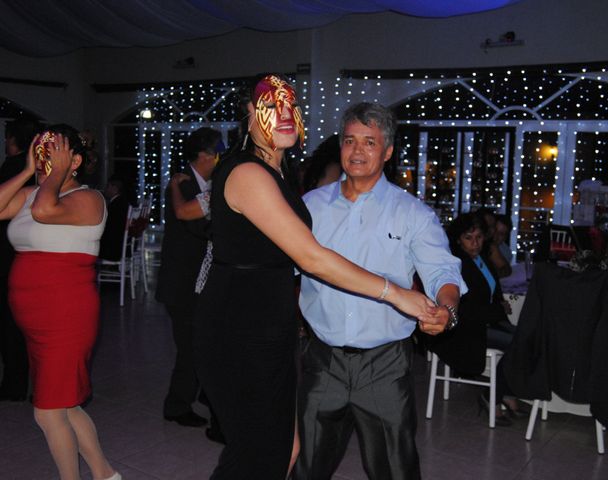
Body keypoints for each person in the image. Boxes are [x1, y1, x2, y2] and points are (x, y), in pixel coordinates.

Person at [192, 74, 444, 480]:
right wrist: (396, 294)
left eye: (290, 105)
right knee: (254, 457)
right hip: (237, 329)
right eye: (272, 107)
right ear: (249, 115)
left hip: (271, 329)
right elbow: (312, 257)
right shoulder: (248, 173)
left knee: (286, 450)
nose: (285, 114)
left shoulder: (277, 173)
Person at [294, 102, 465, 480]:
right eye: (350, 140)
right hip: (323, 360)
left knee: (395, 468)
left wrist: (445, 309)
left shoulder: (412, 213)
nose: (357, 151)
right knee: (308, 467)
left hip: (385, 365)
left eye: (369, 142)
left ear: (387, 151)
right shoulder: (309, 208)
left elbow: (442, 271)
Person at [0, 124, 119, 479]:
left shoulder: (89, 198)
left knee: (48, 411)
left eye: (52, 156)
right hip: (36, 319)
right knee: (64, 405)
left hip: (66, 316)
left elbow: (45, 212)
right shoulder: (35, 191)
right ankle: (106, 474)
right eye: (40, 155)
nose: (42, 163)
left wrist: (53, 176)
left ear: (76, 161)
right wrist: (25, 170)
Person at [156, 127, 225, 437]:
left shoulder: (196, 184)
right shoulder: (181, 184)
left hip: (197, 281)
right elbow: (199, 228)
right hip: (182, 283)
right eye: (218, 154)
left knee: (201, 342)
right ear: (205, 156)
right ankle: (177, 406)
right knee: (191, 346)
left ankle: (200, 393)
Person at [430, 212, 522, 426]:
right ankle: (493, 397)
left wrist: (497, 307)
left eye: (479, 237)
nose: (475, 243)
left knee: (525, 338)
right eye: (469, 238)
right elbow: (468, 309)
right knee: (518, 343)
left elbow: (494, 292)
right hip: (464, 330)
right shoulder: (457, 264)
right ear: (458, 240)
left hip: (486, 321)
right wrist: (496, 309)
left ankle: (505, 393)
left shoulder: (482, 259)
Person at [0, 118, 38, 402]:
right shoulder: (34, 174)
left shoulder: (15, 171)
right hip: (24, 253)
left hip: (9, 254)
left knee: (10, 322)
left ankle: (14, 383)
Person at [98, 176, 130, 262]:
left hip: (113, 250)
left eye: (108, 186)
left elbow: (108, 228)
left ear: (115, 188)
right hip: (120, 247)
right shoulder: (123, 203)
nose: (105, 189)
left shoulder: (115, 206)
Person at [476, 207, 511, 278]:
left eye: (491, 226)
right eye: (485, 225)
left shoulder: (492, 247)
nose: (495, 235)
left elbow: (506, 270)